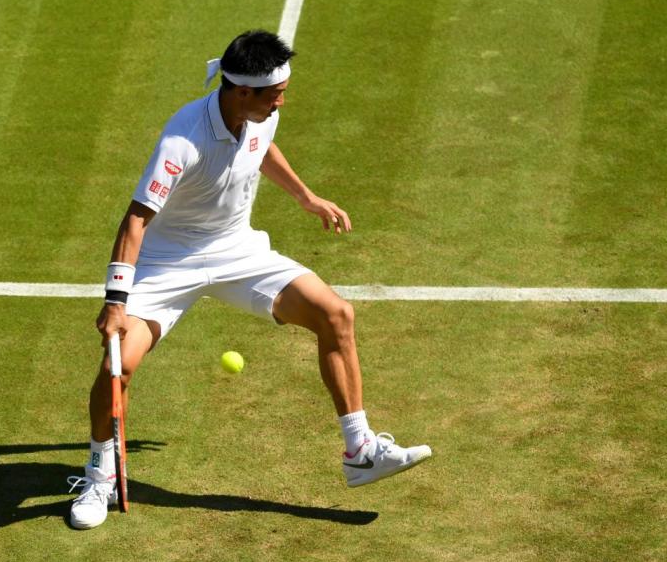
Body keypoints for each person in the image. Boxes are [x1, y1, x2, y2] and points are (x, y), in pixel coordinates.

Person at [68, 30, 431, 530]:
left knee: (335, 314)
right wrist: (115, 300)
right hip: (166, 264)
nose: (282, 100)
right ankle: (99, 474)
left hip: (238, 251)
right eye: (274, 94)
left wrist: (306, 196)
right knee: (119, 367)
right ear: (242, 92)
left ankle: (361, 450)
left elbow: (262, 148)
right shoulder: (183, 139)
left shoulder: (260, 112)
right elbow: (135, 220)